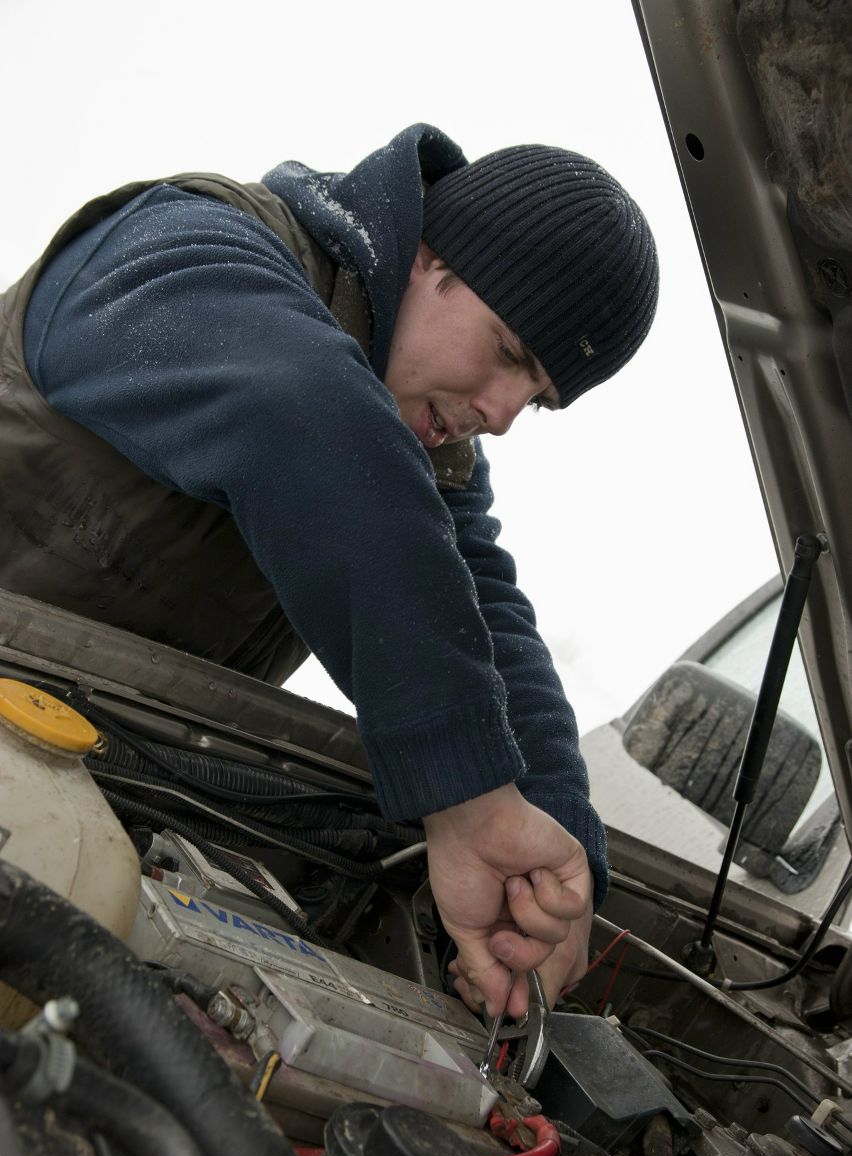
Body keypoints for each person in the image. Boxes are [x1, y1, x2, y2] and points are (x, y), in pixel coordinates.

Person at [0, 124, 658, 1018]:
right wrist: (468, 797)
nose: (502, 414)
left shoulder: (418, 451)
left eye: (536, 399)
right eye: (509, 353)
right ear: (427, 256)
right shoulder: (182, 248)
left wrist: (551, 863)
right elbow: (302, 418)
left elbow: (487, 623)